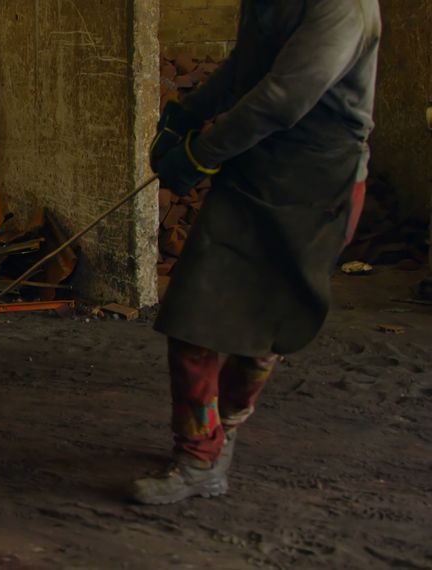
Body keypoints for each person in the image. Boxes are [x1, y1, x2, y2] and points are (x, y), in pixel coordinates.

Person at [132, 0, 381, 505]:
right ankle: (198, 454)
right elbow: (244, 69)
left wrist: (201, 153)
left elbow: (283, 97)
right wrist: (188, 113)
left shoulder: (345, 8)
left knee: (266, 328)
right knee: (191, 317)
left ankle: (221, 429)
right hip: (256, 168)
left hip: (316, 182)